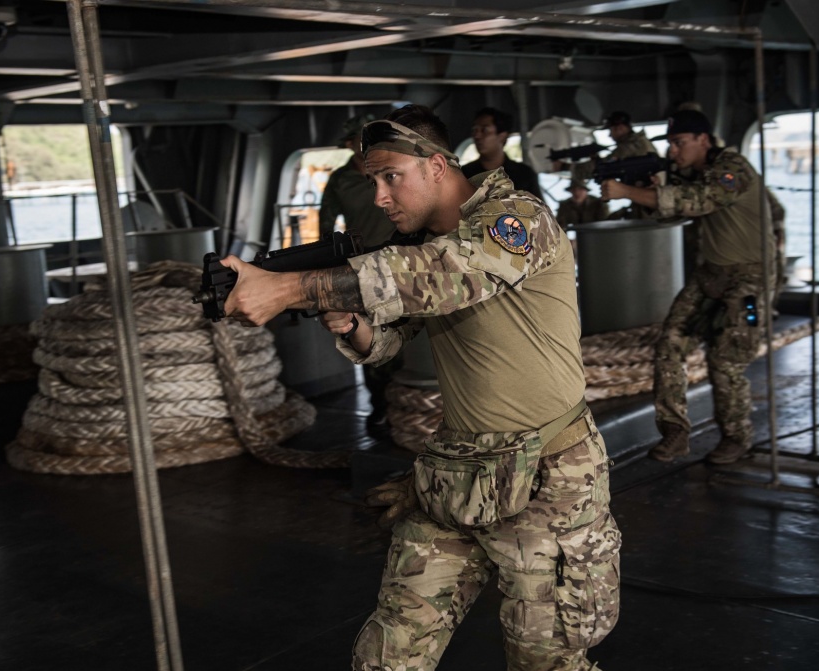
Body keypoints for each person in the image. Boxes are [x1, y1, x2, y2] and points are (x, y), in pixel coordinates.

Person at [219, 104, 620, 671]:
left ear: (436, 166)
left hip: (547, 478)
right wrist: (352, 324)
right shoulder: (417, 246)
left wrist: (289, 289)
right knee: (390, 652)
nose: (381, 196)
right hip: (457, 473)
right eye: (372, 182)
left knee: (547, 659)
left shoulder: (515, 220)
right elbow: (389, 340)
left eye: (391, 177)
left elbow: (443, 277)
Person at [601, 109, 774, 465]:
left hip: (749, 278)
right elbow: (672, 213)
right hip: (710, 274)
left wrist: (625, 191)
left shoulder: (732, 169)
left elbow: (700, 201)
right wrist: (650, 193)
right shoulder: (692, 175)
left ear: (704, 141)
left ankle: (736, 437)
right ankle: (675, 434)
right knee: (669, 346)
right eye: (671, 144)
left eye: (680, 143)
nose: (674, 152)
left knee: (726, 358)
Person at [318, 114, 400, 431]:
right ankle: (379, 407)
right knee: (365, 336)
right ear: (350, 144)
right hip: (363, 269)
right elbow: (326, 226)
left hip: (401, 262)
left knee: (404, 334)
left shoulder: (391, 174)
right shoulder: (340, 181)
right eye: (358, 141)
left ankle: (403, 405)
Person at [319, 114, 397, 248]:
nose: (372, 143)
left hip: (399, 251)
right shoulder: (339, 179)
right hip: (361, 255)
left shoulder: (394, 170)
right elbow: (326, 223)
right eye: (364, 138)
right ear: (350, 144)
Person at [460, 106, 544, 201]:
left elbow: (539, 211)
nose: (477, 135)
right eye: (475, 130)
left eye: (484, 130)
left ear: (502, 136)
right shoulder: (465, 175)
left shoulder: (524, 175)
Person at [569, 110, 658, 183]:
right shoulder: (639, 142)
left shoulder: (629, 147)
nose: (610, 135)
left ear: (620, 128)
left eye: (611, 130)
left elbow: (603, 167)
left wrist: (569, 168)